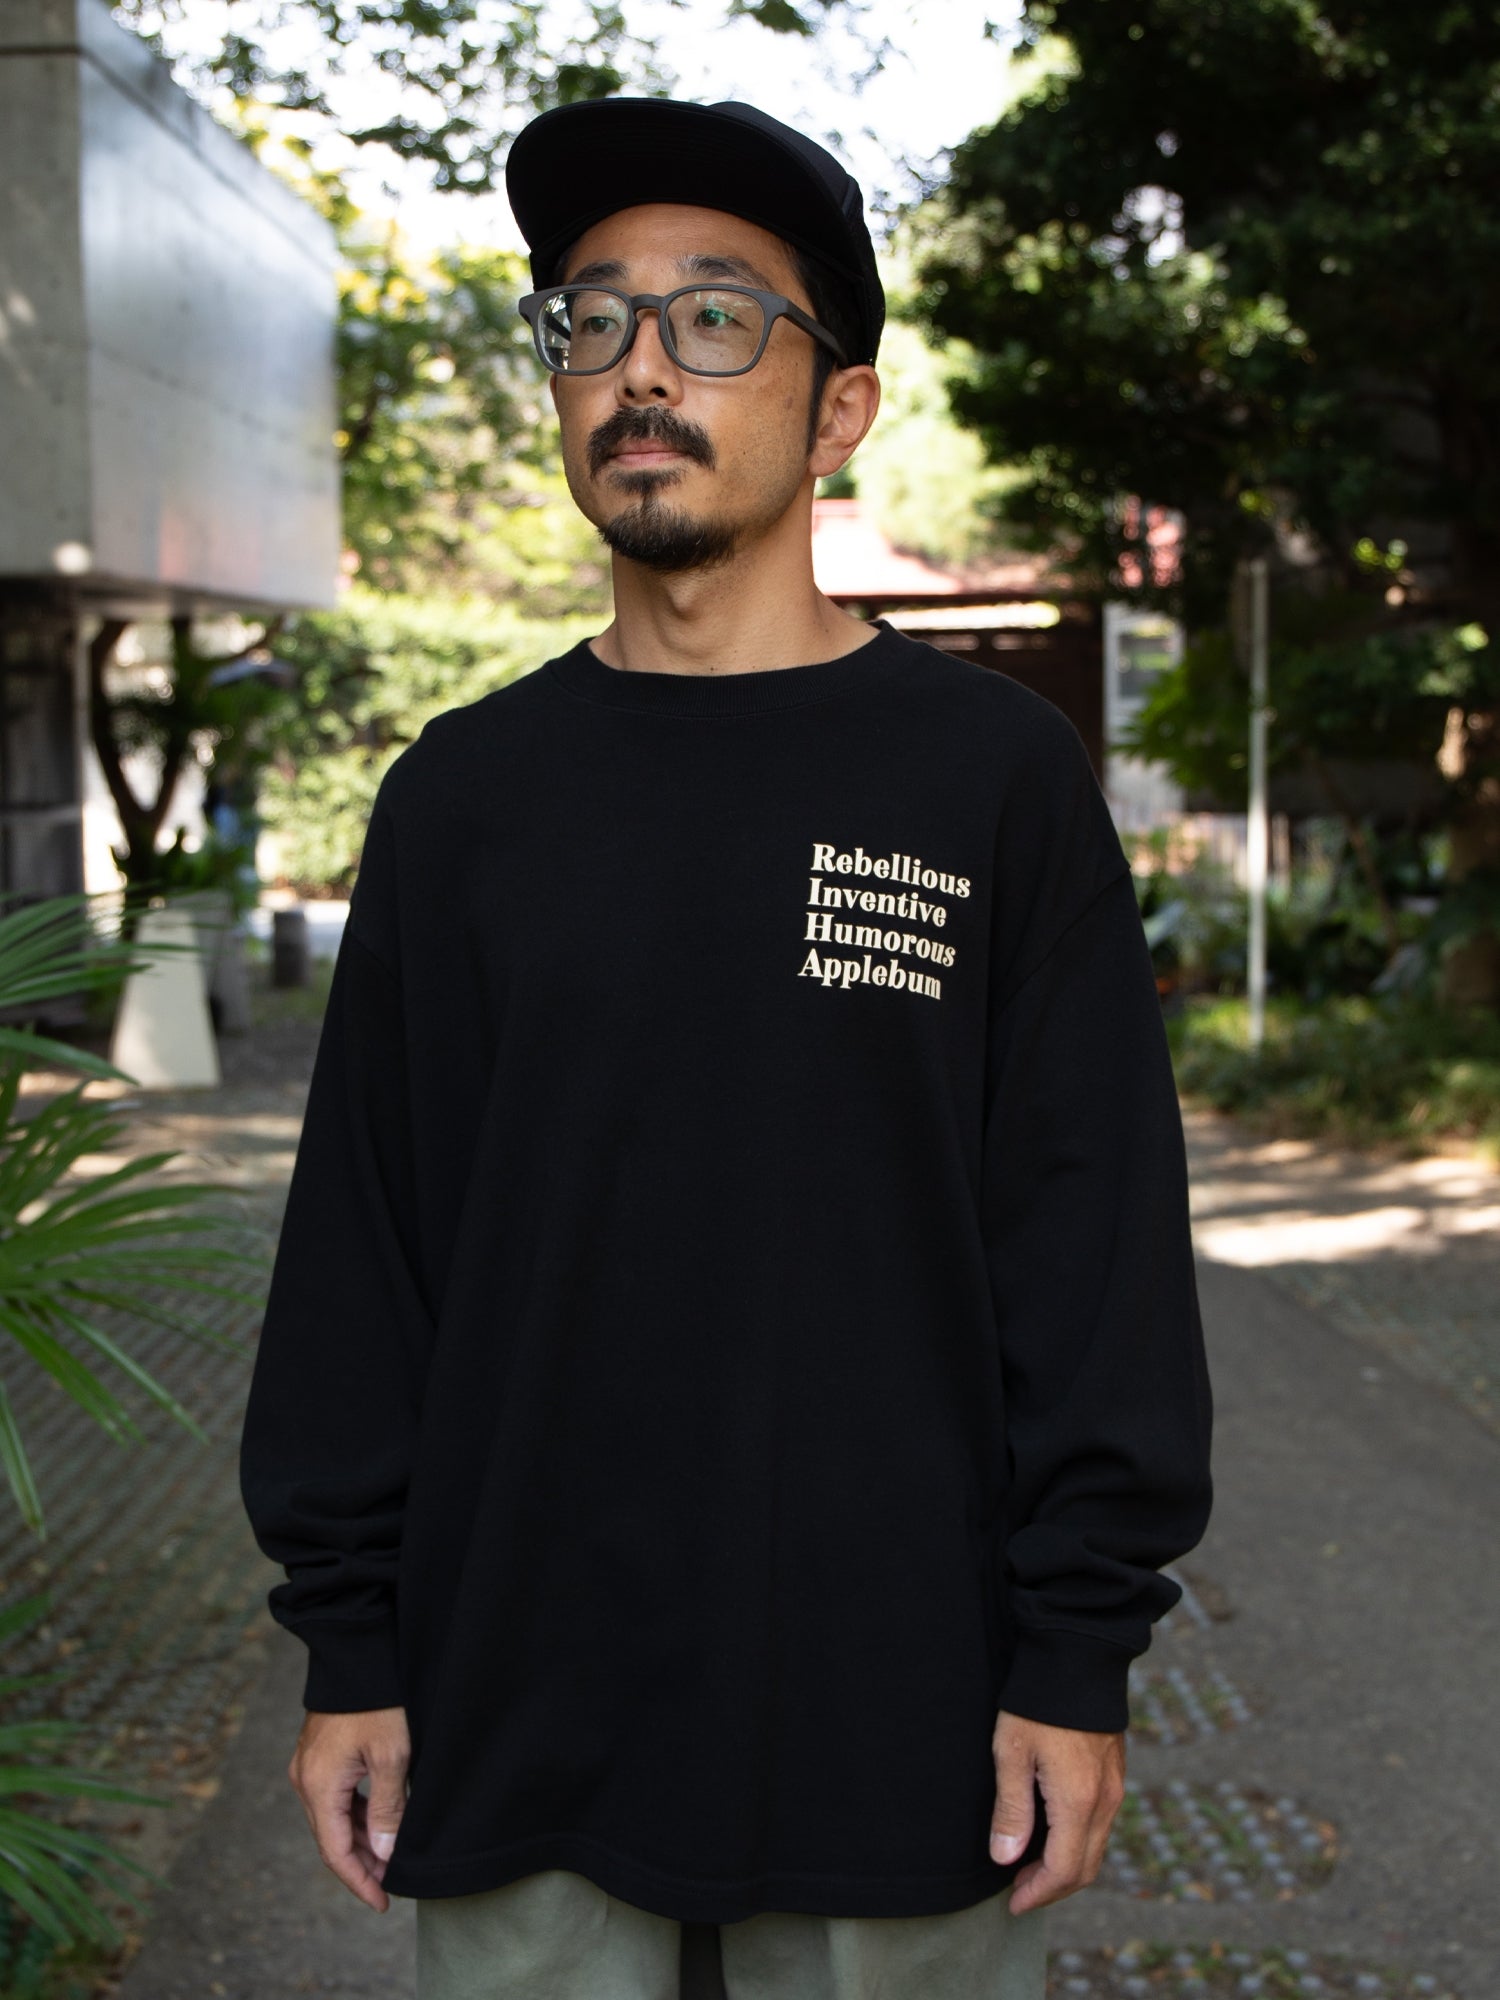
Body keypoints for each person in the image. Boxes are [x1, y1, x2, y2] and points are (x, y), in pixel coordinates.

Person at [239, 94, 1214, 2000]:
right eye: (590, 319)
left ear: (839, 408)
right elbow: (365, 1258)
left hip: (903, 1712)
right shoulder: (462, 800)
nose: (639, 371)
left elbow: (1090, 1249)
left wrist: (1075, 1651)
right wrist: (351, 1645)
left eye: (712, 318)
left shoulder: (989, 780)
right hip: (517, 1699)